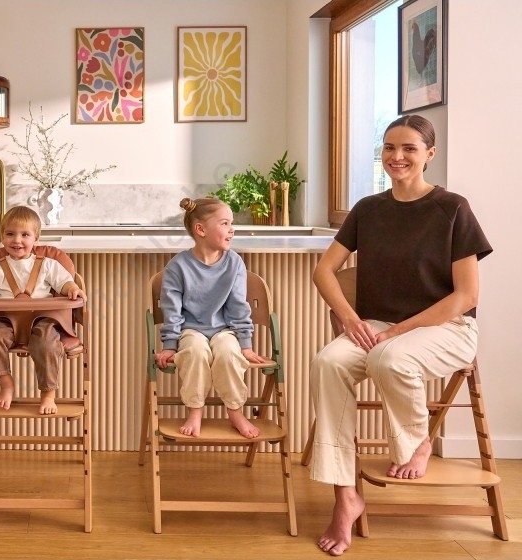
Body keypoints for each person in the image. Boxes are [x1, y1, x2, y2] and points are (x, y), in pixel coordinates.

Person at [310, 114, 492, 556]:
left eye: (409, 148)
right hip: (378, 327)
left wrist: (399, 330)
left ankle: (417, 441)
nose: (397, 156)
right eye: (390, 147)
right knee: (328, 362)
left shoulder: (453, 208)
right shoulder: (368, 209)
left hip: (447, 329)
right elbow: (324, 271)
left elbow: (466, 296)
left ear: (430, 154)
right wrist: (350, 319)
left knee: (389, 358)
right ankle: (345, 496)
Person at [154, 197, 267, 438]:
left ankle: (235, 412)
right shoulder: (177, 266)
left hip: (224, 330)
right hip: (190, 330)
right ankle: (195, 411)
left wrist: (245, 345)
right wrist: (170, 345)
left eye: (231, 223)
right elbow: (172, 311)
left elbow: (238, 306)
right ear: (201, 229)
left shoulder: (234, 263)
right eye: (225, 223)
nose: (232, 229)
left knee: (229, 353)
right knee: (195, 352)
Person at [0, 206, 86, 415]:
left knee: (47, 343)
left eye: (25, 235)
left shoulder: (48, 264)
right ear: (2, 237)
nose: (17, 240)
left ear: (36, 238)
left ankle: (48, 393)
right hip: (4, 319)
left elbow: (65, 283)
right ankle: (5, 383)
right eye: (10, 234)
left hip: (43, 319)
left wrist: (73, 289)